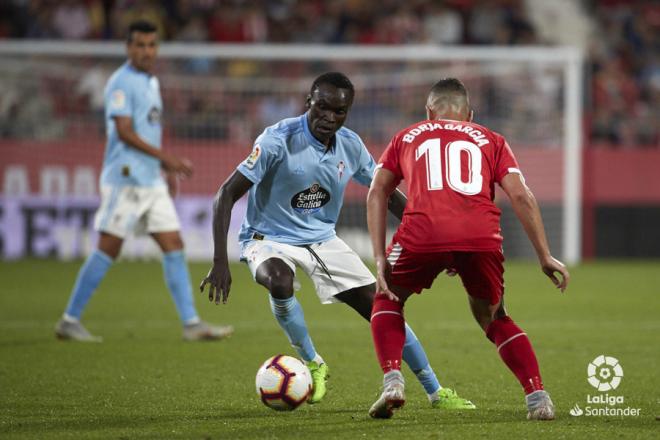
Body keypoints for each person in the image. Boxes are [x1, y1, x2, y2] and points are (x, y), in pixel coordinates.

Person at [200, 72, 473, 408]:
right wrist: (219, 261)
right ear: (308, 103)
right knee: (280, 282)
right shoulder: (276, 140)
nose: (329, 117)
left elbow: (386, 193)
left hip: (323, 239)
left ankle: (435, 390)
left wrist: (438, 242)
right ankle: (314, 363)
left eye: (338, 112)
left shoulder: (351, 146)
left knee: (383, 307)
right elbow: (225, 194)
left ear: (348, 112)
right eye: (322, 108)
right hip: (268, 237)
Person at [366, 78, 569, 420]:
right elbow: (521, 195)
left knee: (387, 298)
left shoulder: (407, 136)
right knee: (494, 316)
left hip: (422, 233)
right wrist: (544, 255)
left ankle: (392, 382)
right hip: (480, 237)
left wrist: (378, 256)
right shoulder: (493, 139)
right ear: (470, 115)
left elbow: (377, 192)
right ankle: (538, 397)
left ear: (429, 112)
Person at [55, 20, 233, 342]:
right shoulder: (121, 82)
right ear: (128, 47)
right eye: (140, 45)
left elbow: (148, 129)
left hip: (149, 179)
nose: (146, 51)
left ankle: (191, 323)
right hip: (125, 178)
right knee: (109, 247)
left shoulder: (151, 81)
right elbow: (124, 131)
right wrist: (167, 159)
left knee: (173, 245)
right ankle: (69, 319)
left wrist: (162, 171)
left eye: (152, 45)